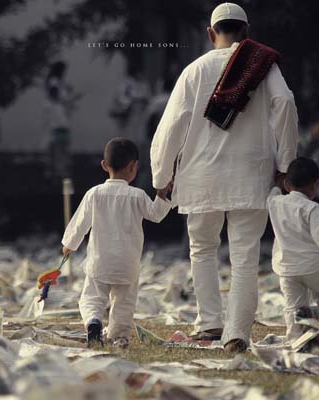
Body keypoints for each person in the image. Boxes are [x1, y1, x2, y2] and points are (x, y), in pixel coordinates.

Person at [150, 2, 299, 352]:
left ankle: (210, 324)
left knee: (202, 249)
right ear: (247, 33)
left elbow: (171, 125)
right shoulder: (264, 67)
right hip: (252, 176)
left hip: (200, 178)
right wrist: (286, 164)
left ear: (210, 33)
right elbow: (287, 106)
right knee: (245, 255)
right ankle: (237, 334)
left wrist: (161, 174)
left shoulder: (195, 69)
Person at [61, 138, 173, 348]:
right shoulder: (138, 196)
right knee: (124, 303)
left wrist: (69, 245)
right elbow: (156, 215)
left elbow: (80, 224)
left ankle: (93, 322)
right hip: (127, 264)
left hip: (100, 262)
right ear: (134, 167)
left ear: (104, 165)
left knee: (92, 298)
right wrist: (161, 195)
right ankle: (119, 337)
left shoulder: (94, 194)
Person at [267, 157, 319, 341]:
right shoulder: (313, 208)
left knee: (292, 305)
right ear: (316, 184)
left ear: (287, 183)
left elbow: (271, 194)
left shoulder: (275, 204)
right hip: (312, 267)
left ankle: (295, 337)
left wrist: (277, 184)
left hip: (286, 268)